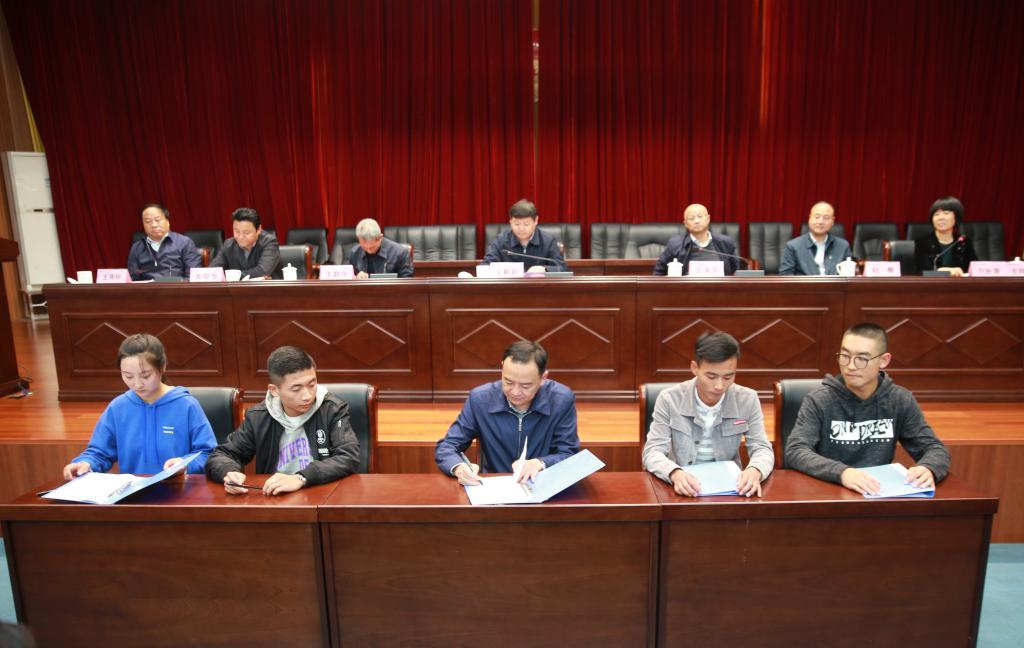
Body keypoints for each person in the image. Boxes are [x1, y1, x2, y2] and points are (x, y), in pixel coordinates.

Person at [785, 322, 950, 495]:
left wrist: (928, 467)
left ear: (884, 360)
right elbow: (796, 450)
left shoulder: (899, 400)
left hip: (878, 493)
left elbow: (934, 448)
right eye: (845, 356)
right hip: (830, 492)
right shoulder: (819, 400)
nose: (850, 366)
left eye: (862, 359)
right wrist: (842, 473)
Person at [205, 346, 360, 495]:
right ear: (274, 390)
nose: (307, 396)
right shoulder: (259, 417)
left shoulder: (332, 409)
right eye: (296, 389)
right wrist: (229, 473)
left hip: (322, 492)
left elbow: (348, 457)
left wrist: (301, 477)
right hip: (275, 496)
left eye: (312, 385)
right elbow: (223, 454)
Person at [62, 333, 216, 479]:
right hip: (133, 492)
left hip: (179, 489)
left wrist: (184, 464)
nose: (137, 384)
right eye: (128, 376)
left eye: (145, 375)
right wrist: (85, 463)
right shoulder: (118, 407)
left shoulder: (186, 405)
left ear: (163, 367)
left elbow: (207, 453)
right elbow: (99, 452)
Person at [642, 331, 773, 497]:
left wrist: (755, 470)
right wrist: (674, 473)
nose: (719, 386)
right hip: (681, 489)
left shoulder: (747, 399)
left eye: (728, 377)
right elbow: (652, 451)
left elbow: (762, 448)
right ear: (694, 368)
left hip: (731, 489)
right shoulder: (670, 398)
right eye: (711, 376)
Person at [435, 340, 579, 485]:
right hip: (493, 486)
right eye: (508, 382)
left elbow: (569, 453)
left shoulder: (561, 400)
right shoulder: (480, 400)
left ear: (543, 378)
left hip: (541, 485)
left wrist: (541, 463)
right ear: (502, 368)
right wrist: (459, 468)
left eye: (525, 386)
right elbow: (448, 446)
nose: (515, 392)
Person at [482, 199, 567, 272]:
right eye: (517, 224)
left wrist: (544, 269)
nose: (521, 228)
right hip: (509, 285)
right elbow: (486, 265)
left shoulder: (548, 241)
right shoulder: (501, 240)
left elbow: (562, 267)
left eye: (526, 224)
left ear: (536, 221)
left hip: (538, 285)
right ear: (510, 221)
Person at [653, 203, 739, 275]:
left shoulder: (725, 242)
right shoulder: (675, 244)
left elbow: (735, 271)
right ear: (685, 224)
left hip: (720, 288)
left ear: (708, 219)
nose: (696, 221)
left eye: (700, 216)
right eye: (691, 218)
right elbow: (659, 273)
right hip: (686, 289)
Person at [126, 203, 202, 280]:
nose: (154, 225)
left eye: (157, 220)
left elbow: (193, 276)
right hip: (148, 287)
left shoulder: (184, 243)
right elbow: (132, 279)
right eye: (148, 221)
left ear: (167, 222)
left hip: (175, 286)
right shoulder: (137, 247)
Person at [779, 201, 853, 275]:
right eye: (817, 217)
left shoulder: (843, 246)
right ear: (810, 218)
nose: (820, 222)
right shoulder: (793, 246)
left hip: (834, 283)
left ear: (832, 221)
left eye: (826, 218)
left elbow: (849, 276)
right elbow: (785, 276)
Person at [209, 207, 283, 279]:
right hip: (238, 287)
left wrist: (232, 276)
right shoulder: (229, 245)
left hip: (267, 287)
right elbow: (213, 271)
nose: (240, 237)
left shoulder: (269, 242)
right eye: (237, 231)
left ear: (258, 230)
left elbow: (262, 271)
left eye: (246, 232)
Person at [913, 196, 978, 276]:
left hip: (960, 283)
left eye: (946, 213)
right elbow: (921, 273)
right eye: (936, 214)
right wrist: (943, 271)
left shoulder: (964, 242)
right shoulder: (922, 243)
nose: (940, 218)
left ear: (956, 217)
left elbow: (975, 270)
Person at [348, 218, 414, 278]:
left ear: (380, 237)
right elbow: (349, 277)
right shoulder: (355, 252)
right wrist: (356, 277)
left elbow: (407, 280)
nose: (369, 251)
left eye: (372, 247)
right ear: (358, 240)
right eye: (364, 247)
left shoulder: (399, 252)